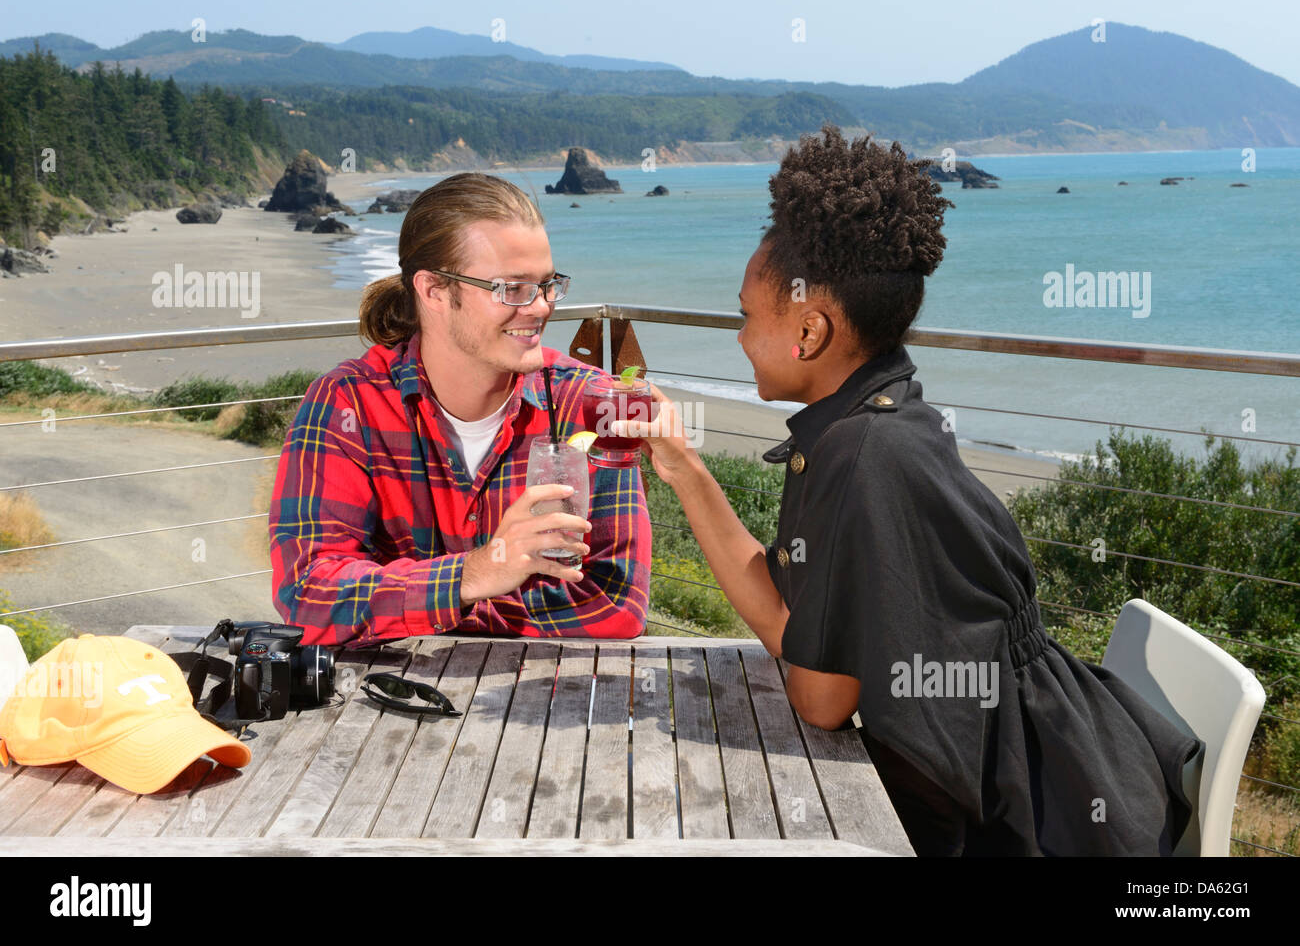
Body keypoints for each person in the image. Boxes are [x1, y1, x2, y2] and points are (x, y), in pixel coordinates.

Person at [613, 125, 1203, 856]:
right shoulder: (881, 416)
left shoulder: (862, 454)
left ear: (810, 332)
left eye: (744, 315)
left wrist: (694, 485)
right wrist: (684, 468)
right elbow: (805, 621)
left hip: (1027, 817)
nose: (736, 336)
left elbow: (820, 697)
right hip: (1064, 758)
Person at [269, 173, 650, 647]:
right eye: (512, 288)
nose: (540, 307)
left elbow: (616, 605)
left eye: (548, 284)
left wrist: (424, 604)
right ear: (432, 291)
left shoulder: (589, 402)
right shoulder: (347, 402)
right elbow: (306, 595)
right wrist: (478, 572)